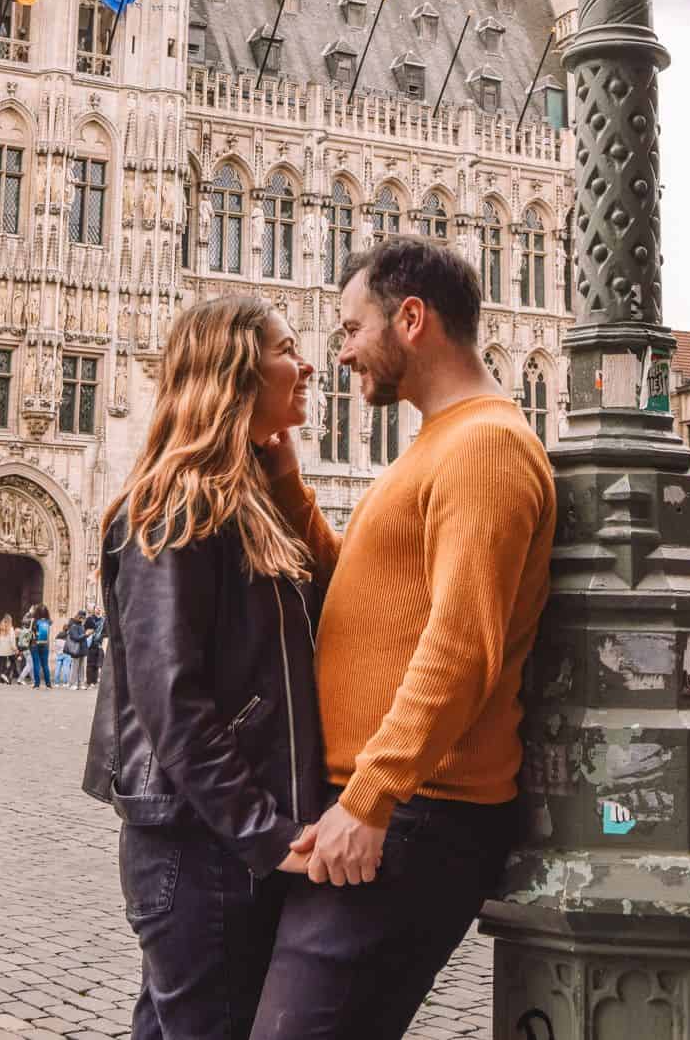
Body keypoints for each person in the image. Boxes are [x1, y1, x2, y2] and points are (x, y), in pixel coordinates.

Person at [248, 236, 557, 1040]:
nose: (341, 351)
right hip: (392, 810)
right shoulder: (441, 440)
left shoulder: (484, 446)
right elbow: (368, 588)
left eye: (353, 328)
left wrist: (371, 797)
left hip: (416, 817)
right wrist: (285, 478)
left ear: (411, 319)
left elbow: (462, 643)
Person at [83, 294, 324, 1040]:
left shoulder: (241, 500)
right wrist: (265, 833)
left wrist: (282, 474)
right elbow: (172, 703)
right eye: (288, 348)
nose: (307, 362)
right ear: (238, 372)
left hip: (219, 842)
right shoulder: (174, 508)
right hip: (202, 849)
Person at [64, 611, 89, 690]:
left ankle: (81, 683)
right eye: (82, 618)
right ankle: (73, 684)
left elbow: (81, 637)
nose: (83, 619)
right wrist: (86, 634)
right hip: (76, 649)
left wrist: (85, 635)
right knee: (75, 667)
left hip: (82, 649)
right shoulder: (73, 626)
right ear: (79, 617)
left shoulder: (81, 625)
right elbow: (76, 638)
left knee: (81, 667)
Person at [30, 605, 53, 689]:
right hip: (45, 645)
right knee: (45, 665)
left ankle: (37, 684)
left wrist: (31, 613)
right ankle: (48, 684)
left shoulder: (35, 621)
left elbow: (30, 630)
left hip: (35, 644)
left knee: (36, 664)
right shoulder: (48, 622)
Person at [0, 613, 18, 684]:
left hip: (1, 649)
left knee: (2, 665)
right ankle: (5, 675)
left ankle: (1, 681)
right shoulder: (11, 628)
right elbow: (12, 640)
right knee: (13, 662)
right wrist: (15, 649)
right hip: (9, 649)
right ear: (10, 620)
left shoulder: (0, 628)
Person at [16, 608, 36, 685]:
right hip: (27, 649)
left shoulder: (22, 630)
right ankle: (20, 679)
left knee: (30, 664)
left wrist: (29, 612)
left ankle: (33, 680)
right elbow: (30, 627)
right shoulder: (28, 630)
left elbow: (24, 619)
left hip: (23, 649)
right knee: (30, 665)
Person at [53, 621, 72, 687]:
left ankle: (56, 683)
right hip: (67, 653)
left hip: (59, 653)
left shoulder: (58, 635)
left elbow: (54, 645)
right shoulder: (68, 636)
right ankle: (65, 682)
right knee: (66, 668)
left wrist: (57, 651)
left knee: (57, 668)